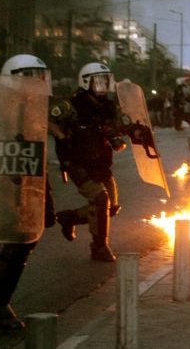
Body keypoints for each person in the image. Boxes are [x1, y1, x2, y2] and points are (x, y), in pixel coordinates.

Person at [0, 54, 56, 331]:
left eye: (39, 76)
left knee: (20, 242)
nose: (37, 82)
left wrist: (44, 201)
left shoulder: (34, 109)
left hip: (20, 191)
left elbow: (36, 158)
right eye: (30, 76)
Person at [49, 62, 140, 262]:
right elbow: (49, 119)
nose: (103, 85)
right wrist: (61, 136)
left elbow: (120, 124)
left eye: (106, 81)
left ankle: (69, 217)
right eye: (99, 81)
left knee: (111, 209)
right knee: (100, 201)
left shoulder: (109, 106)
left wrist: (135, 130)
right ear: (86, 82)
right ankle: (99, 247)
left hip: (101, 162)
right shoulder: (71, 105)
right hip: (77, 162)